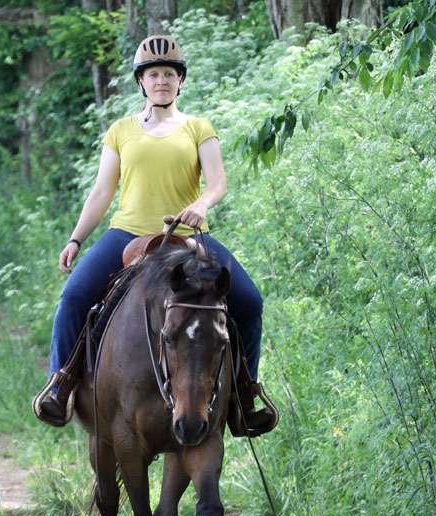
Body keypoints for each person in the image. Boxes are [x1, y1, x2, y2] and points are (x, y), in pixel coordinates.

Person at [33, 35, 277, 436]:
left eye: (168, 74)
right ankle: (59, 384)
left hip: (187, 235)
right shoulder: (121, 130)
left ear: (180, 81)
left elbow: (217, 182)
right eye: (152, 75)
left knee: (249, 301)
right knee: (75, 295)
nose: (160, 80)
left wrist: (201, 206)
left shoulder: (199, 128)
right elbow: (101, 193)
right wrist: (76, 239)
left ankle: (245, 395)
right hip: (126, 232)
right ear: (141, 83)